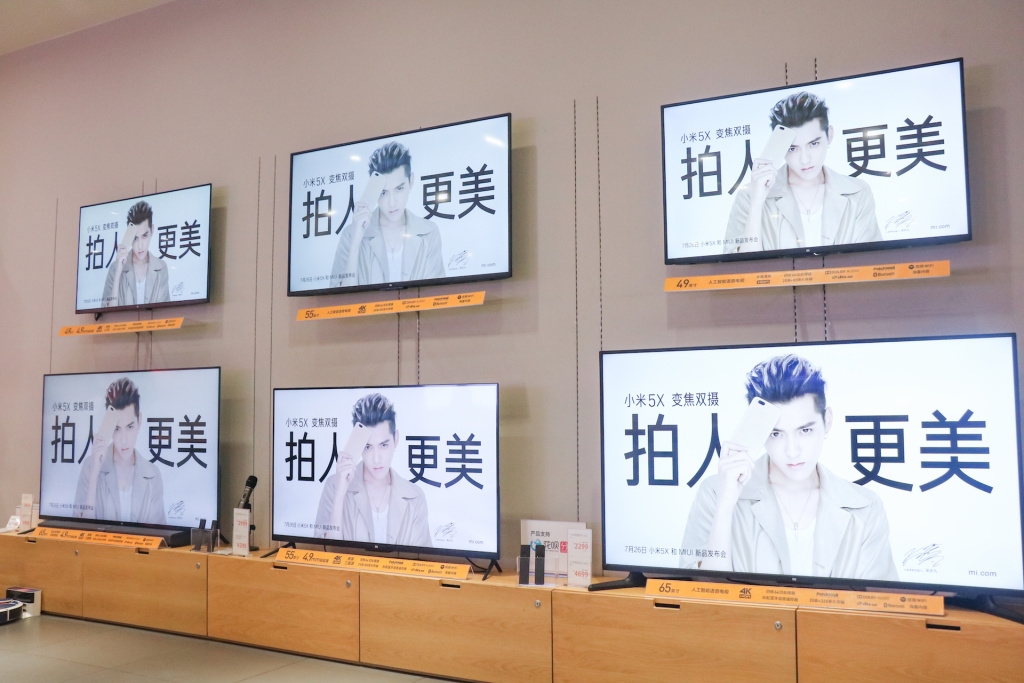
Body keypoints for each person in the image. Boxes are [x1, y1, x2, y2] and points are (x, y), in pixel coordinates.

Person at [681, 355, 898, 580]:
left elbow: (880, 597)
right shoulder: (715, 493)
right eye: (776, 434)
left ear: (827, 421)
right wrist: (725, 506)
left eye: (805, 430)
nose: (792, 451)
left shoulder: (865, 507)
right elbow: (701, 591)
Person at [724, 91, 882, 253]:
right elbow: (741, 266)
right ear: (779, 146)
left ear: (829, 135)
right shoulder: (749, 196)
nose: (804, 159)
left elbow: (872, 259)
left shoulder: (857, 192)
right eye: (792, 148)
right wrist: (757, 203)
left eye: (813, 144)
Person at [314, 393, 431, 546]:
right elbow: (327, 551)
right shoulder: (334, 486)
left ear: (396, 439)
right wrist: (340, 494)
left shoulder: (414, 496)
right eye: (368, 447)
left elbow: (423, 557)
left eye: (384, 445)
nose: (376, 459)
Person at [330, 141, 445, 287]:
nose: (392, 202)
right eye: (383, 193)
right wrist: (356, 239)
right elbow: (341, 296)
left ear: (411, 181)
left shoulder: (429, 232)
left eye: (399, 189)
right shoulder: (350, 235)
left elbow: (438, 291)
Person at [73, 377, 166, 525]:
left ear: (139, 421)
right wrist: (95, 471)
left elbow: (160, 532)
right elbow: (79, 528)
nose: (124, 440)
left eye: (130, 427)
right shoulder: (90, 466)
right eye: (116, 429)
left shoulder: (152, 474)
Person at [101, 200, 170, 307]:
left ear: (152, 230)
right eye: (135, 238)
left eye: (145, 236)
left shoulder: (161, 267)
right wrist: (118, 272)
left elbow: (165, 311)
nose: (140, 246)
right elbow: (107, 312)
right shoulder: (115, 268)